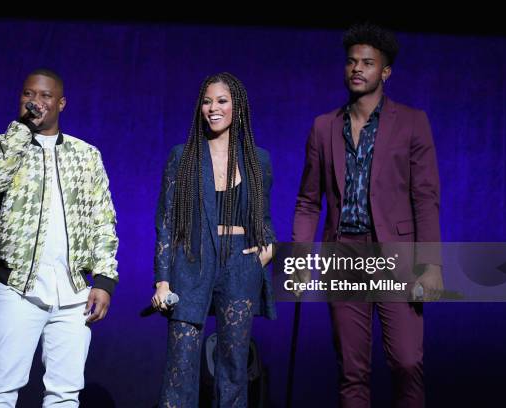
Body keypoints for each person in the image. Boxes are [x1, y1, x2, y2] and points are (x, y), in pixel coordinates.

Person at [292, 23, 443, 407]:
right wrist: (298, 260)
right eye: (351, 62)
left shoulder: (412, 122)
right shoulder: (324, 127)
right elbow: (309, 201)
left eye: (368, 63)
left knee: (407, 363)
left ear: (385, 72)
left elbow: (425, 197)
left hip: (396, 256)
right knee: (352, 372)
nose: (357, 69)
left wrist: (430, 263)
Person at [0, 69, 119, 407]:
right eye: (28, 94)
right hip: (18, 290)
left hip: (73, 293)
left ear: (61, 102)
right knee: (1, 389)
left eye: (44, 96)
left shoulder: (86, 155)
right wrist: (20, 130)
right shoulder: (0, 144)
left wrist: (103, 280)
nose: (35, 102)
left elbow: (103, 219)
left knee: (65, 394)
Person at [152, 72, 276, 407]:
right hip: (192, 261)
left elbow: (264, 221)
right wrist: (162, 280)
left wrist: (267, 250)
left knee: (235, 367)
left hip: (240, 263)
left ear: (237, 107)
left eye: (222, 101)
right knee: (181, 365)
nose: (213, 108)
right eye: (207, 101)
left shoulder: (258, 161)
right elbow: (165, 222)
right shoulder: (184, 156)